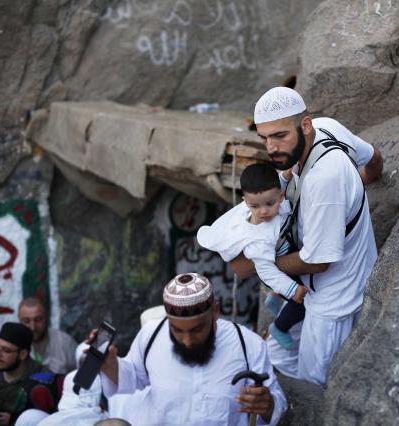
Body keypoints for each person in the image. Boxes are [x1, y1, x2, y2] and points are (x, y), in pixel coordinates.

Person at [230, 87, 383, 386]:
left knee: (315, 382)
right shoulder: (329, 128)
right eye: (264, 138)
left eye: (279, 136)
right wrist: (366, 180)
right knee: (273, 352)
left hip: (334, 302)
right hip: (316, 289)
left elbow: (319, 261)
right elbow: (374, 157)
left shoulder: (323, 181)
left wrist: (262, 263)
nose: (271, 147)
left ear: (305, 125)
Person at [96, 273, 287, 425]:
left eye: (197, 330)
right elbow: (133, 377)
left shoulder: (248, 344)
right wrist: (110, 366)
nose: (187, 341)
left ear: (215, 312)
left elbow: (275, 400)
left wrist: (268, 404)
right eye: (177, 330)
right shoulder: (151, 335)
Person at [197, 162, 306, 349]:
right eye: (255, 206)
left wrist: (285, 176)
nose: (263, 211)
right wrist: (292, 290)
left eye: (269, 204)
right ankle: (279, 327)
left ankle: (274, 296)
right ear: (246, 202)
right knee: (303, 305)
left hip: (285, 249)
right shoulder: (257, 241)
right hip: (278, 272)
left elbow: (273, 186)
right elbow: (267, 271)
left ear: (280, 196)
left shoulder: (269, 200)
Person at [0, 323, 61, 425]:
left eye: (6, 350)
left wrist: (14, 420)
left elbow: (48, 419)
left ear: (23, 354)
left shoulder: (43, 378)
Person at [18, 297, 77, 375]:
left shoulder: (66, 342)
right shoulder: (13, 347)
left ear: (47, 317)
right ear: (19, 321)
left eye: (38, 319)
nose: (33, 327)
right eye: (26, 321)